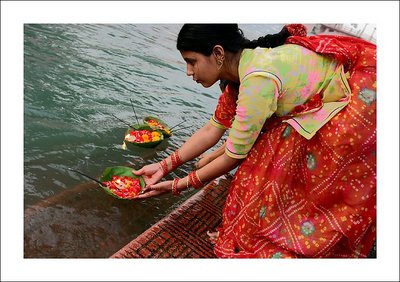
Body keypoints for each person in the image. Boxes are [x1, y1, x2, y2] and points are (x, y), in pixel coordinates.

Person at [133, 24, 376, 258]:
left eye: (192, 61)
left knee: (266, 167)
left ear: (218, 53)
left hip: (357, 108)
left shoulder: (258, 80)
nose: (188, 72)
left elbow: (234, 155)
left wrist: (177, 186)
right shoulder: (243, 69)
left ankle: (306, 237)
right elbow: (211, 129)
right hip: (326, 97)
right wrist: (164, 166)